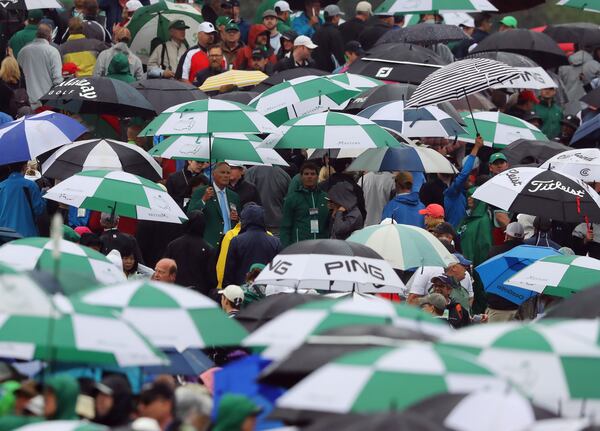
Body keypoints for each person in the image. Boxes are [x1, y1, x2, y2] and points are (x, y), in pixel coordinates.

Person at [223, 204, 281, 286]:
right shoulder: (275, 242)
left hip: (242, 293)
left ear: (244, 219)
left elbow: (228, 274)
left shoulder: (236, 241)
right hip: (267, 293)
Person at [188, 162, 241, 248]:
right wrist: (204, 199)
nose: (226, 175)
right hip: (209, 244)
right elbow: (190, 214)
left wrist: (237, 218)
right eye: (222, 172)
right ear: (213, 174)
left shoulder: (234, 196)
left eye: (228, 173)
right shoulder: (201, 192)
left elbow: (240, 221)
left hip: (230, 243)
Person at [164, 211, 217, 293]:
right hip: (198, 295)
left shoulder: (173, 245)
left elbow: (166, 268)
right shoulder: (208, 249)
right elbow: (212, 279)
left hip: (175, 292)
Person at [280, 162, 329, 247]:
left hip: (321, 246)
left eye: (313, 174)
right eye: (306, 174)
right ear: (301, 177)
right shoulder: (292, 198)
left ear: (317, 177)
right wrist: (286, 249)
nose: (309, 176)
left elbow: (329, 224)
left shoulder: (325, 198)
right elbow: (285, 227)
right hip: (299, 247)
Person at [17, 24, 63, 105]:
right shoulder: (52, 51)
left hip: (26, 101)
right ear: (50, 36)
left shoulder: (22, 51)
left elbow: (18, 76)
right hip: (46, 101)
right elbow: (58, 79)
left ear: (36, 35)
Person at [443, 136, 483, 227]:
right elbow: (464, 174)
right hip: (453, 236)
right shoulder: (452, 192)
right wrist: (476, 147)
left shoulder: (461, 193)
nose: (470, 180)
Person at [0, 161, 46, 237]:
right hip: (26, 235)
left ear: (9, 167)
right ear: (24, 167)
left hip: (3, 234)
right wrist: (43, 196)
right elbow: (39, 210)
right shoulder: (31, 185)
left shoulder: (1, 186)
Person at [245, 165, 290, 234]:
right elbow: (289, 201)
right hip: (277, 223)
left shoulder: (250, 172)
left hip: (254, 223)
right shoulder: (284, 174)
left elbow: (245, 195)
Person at [457, 187, 493, 267]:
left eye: (472, 197)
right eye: (468, 196)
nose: (469, 199)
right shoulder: (467, 217)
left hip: (473, 265)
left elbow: (484, 246)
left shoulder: (483, 220)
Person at [311, 4, 345, 72]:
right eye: (338, 16)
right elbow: (340, 55)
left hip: (316, 70)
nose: (339, 19)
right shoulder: (335, 33)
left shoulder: (316, 33)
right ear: (335, 17)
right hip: (331, 71)